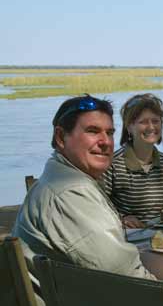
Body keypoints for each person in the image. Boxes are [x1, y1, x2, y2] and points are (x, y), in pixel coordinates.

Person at [13, 94, 154, 280]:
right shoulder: (70, 192)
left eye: (110, 133)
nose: (106, 142)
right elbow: (125, 277)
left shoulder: (61, 179)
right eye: (93, 131)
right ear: (61, 137)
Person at [103, 93, 163, 228]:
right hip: (127, 240)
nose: (151, 127)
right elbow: (99, 209)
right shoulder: (112, 165)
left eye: (155, 121)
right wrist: (121, 219)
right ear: (129, 127)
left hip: (162, 238)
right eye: (143, 122)